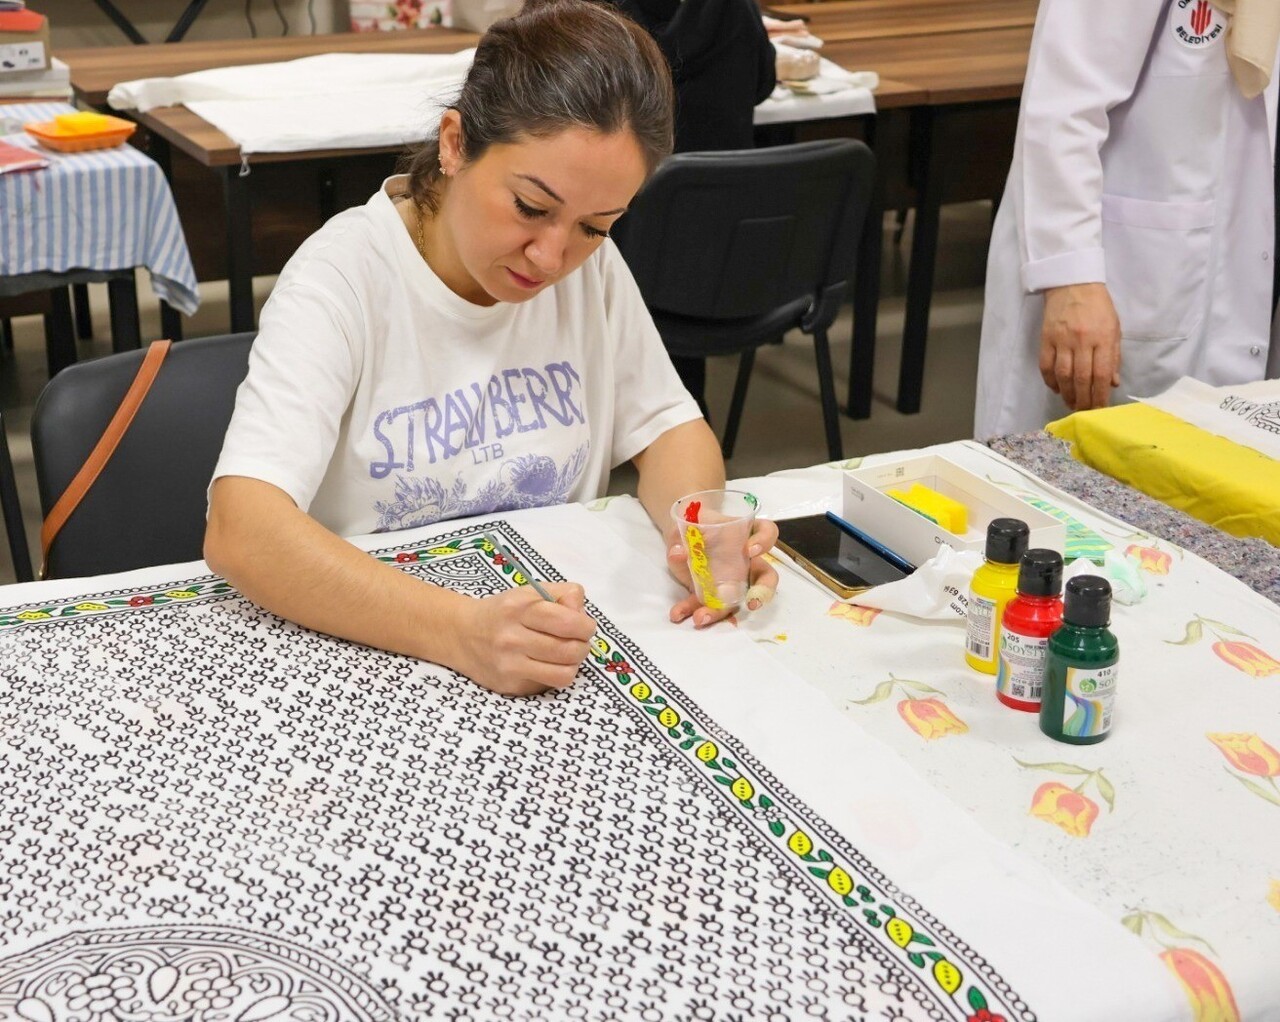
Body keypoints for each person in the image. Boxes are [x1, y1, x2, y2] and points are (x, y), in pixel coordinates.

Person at [204, 0, 779, 698]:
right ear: (454, 143)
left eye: (595, 226)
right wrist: (461, 632)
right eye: (530, 208)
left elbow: (667, 428)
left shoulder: (590, 271)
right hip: (377, 650)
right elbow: (242, 530)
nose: (551, 257)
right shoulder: (344, 277)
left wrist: (700, 526)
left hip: (543, 653)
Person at [975, 0, 1280, 440]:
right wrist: (1071, 278)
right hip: (1130, 270)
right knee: (1070, 465)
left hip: (1238, 264)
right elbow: (1064, 103)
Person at [607, 0, 777, 413]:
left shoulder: (598, 19)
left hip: (621, 265)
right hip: (729, 260)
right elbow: (763, 83)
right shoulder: (736, 9)